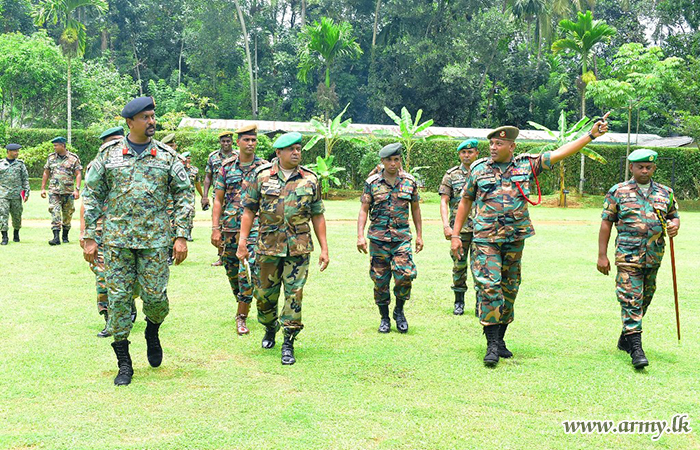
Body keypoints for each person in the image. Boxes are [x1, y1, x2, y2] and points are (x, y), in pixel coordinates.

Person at [451, 114, 610, 367]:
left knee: (510, 289)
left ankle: (500, 339)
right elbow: (466, 201)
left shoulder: (526, 165)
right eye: (491, 143)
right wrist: (456, 235)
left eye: (498, 144)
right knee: (489, 287)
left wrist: (590, 135)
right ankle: (491, 344)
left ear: (511, 146)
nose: (493, 147)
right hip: (485, 239)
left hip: (515, 239)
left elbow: (560, 153)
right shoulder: (479, 169)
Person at [82, 96, 192, 386]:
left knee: (155, 298)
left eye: (153, 116)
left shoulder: (167, 156)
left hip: (155, 241)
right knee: (118, 300)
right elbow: (91, 195)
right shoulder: (109, 155)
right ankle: (124, 361)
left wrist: (181, 234)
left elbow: (183, 194)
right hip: (117, 242)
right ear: (130, 122)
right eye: (145, 117)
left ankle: (152, 331)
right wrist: (89, 237)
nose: (151, 121)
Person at [237, 131, 329, 365]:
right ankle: (269, 327)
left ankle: (288, 341)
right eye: (291, 149)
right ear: (279, 153)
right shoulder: (261, 176)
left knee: (294, 294)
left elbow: (318, 215)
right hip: (267, 247)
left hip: (298, 248)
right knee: (264, 297)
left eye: (298, 149)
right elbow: (248, 210)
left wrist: (324, 248)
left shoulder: (310, 179)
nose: (296, 152)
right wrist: (242, 242)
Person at [597, 148, 680, 369]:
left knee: (646, 296)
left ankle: (626, 338)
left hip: (654, 256)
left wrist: (674, 227)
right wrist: (602, 255)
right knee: (631, 299)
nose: (644, 170)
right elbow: (606, 223)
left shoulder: (665, 192)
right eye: (640, 167)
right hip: (627, 255)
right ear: (631, 167)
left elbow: (674, 216)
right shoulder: (618, 191)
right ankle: (636, 348)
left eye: (649, 167)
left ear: (654, 167)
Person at [357, 143, 423, 334]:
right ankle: (384, 317)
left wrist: (420, 235)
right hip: (378, 239)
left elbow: (416, 209)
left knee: (404, 276)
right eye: (389, 160)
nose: (393, 163)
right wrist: (360, 236)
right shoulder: (372, 183)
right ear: (382, 161)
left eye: (396, 159)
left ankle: (399, 311)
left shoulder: (410, 182)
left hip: (402, 238)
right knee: (380, 280)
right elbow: (363, 210)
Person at [79, 126, 138, 337]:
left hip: (128, 233)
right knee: (102, 276)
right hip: (101, 231)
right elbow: (86, 202)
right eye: (110, 142)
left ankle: (129, 304)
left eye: (118, 141)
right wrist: (84, 232)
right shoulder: (94, 167)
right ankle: (109, 320)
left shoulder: (136, 165)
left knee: (130, 276)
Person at [211, 124, 267, 336]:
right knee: (232, 271)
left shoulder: (264, 168)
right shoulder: (226, 167)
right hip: (229, 229)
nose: (251, 143)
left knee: (246, 270)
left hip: (255, 229)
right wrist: (215, 228)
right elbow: (218, 200)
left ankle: (241, 316)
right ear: (238, 142)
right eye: (247, 140)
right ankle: (242, 301)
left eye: (254, 140)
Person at [439, 139, 479, 315]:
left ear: (477, 153)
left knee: (482, 267)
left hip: (481, 229)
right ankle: (459, 302)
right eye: (463, 152)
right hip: (460, 230)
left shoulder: (484, 172)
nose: (467, 155)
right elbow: (444, 201)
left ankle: (481, 304)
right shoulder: (451, 175)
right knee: (459, 265)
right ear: (459, 154)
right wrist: (446, 226)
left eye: (470, 152)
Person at [41, 136, 82, 245]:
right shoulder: (51, 158)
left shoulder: (73, 158)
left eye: (56, 145)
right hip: (54, 191)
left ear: (63, 146)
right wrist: (43, 188)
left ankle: (65, 236)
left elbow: (78, 174)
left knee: (68, 214)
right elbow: (46, 172)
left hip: (68, 192)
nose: (54, 148)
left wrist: (77, 189)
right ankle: (56, 238)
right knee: (55, 212)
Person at [203, 131, 236, 266]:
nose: (226, 143)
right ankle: (221, 256)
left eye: (228, 141)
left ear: (232, 142)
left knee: (234, 225)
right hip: (218, 197)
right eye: (223, 141)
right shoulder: (213, 157)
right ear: (220, 142)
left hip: (234, 197)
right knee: (219, 226)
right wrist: (204, 196)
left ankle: (233, 254)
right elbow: (208, 177)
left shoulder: (238, 156)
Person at [0, 144, 30, 245]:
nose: (17, 153)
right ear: (8, 151)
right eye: (15, 151)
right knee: (2, 215)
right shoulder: (1, 164)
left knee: (17, 216)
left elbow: (25, 179)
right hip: (3, 195)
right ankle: (4, 237)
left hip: (16, 195)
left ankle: (16, 233)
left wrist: (26, 192)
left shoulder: (20, 164)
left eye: (17, 151)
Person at [182, 151, 203, 241]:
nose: (188, 160)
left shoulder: (194, 170)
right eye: (186, 158)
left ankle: (188, 234)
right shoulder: (179, 169)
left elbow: (197, 183)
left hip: (190, 195)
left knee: (190, 213)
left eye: (189, 158)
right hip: (180, 195)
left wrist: (203, 196)